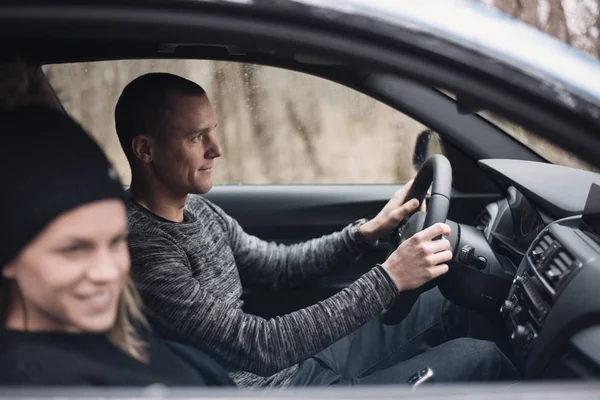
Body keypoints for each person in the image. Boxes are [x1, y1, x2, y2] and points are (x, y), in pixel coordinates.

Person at [117, 73, 519, 388]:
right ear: (145, 150)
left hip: (299, 365)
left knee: (445, 302)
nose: (216, 148)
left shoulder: (201, 212)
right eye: (195, 137)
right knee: (478, 359)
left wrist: (365, 233)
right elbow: (260, 346)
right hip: (274, 388)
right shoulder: (146, 253)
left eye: (213, 130)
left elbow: (279, 266)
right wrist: (391, 276)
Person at [0, 105, 233, 387]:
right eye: (74, 249)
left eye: (116, 241)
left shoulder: (116, 332)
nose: (109, 272)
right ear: (9, 256)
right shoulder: (33, 382)